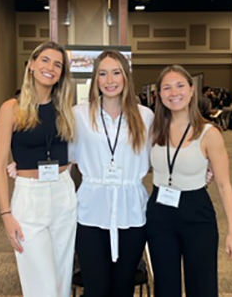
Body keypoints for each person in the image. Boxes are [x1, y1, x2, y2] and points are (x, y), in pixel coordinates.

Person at [146, 65, 232, 297]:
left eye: (180, 86)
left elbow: (224, 184)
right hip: (159, 214)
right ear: (159, 94)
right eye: (166, 88)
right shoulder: (153, 130)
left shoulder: (208, 133)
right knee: (166, 286)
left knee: (202, 285)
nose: (173, 93)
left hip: (196, 213)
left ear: (191, 90)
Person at [0, 41, 76, 297]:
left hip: (63, 194)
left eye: (58, 64)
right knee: (42, 287)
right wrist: (6, 214)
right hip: (29, 198)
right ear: (31, 65)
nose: (50, 67)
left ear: (62, 73)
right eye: (45, 60)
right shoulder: (12, 109)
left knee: (62, 281)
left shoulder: (66, 110)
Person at [71, 51, 154, 297]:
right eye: (103, 73)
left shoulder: (144, 116)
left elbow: (159, 159)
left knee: (123, 288)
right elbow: (64, 157)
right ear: (95, 78)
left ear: (126, 77)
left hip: (131, 212)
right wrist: (26, 168)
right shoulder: (80, 115)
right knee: (96, 289)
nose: (110, 80)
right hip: (91, 213)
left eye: (116, 72)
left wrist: (200, 170)